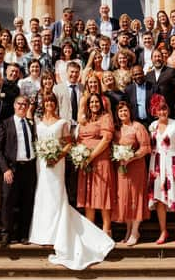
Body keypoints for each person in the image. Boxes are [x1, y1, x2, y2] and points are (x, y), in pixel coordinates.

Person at [29, 93, 114, 270]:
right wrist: (45, 154)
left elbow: (69, 143)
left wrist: (57, 155)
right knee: (42, 195)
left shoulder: (63, 122)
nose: (49, 104)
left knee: (57, 195)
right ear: (43, 104)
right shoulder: (38, 122)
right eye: (47, 102)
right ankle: (42, 233)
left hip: (57, 162)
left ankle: (59, 233)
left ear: (56, 104)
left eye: (52, 101)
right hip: (42, 163)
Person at [147, 94, 175, 245]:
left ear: (168, 110)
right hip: (157, 164)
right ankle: (163, 231)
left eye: (164, 109)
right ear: (155, 111)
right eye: (159, 110)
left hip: (172, 161)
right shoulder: (152, 126)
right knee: (160, 199)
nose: (162, 112)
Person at [0, 96, 37, 247]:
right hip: (11, 169)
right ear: (14, 105)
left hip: (29, 168)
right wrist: (5, 169)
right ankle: (6, 235)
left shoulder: (31, 123)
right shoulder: (6, 123)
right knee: (7, 202)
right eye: (19, 104)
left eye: (25, 104)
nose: (22, 107)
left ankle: (23, 234)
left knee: (27, 202)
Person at [112, 102, 151, 246]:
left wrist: (131, 157)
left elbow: (146, 148)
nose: (123, 113)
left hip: (136, 167)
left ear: (130, 111)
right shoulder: (118, 130)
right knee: (125, 197)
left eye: (125, 110)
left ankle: (135, 231)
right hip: (122, 168)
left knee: (136, 197)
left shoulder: (138, 127)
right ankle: (128, 230)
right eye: (120, 111)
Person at [77, 93, 115, 235]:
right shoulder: (85, 120)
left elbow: (106, 139)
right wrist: (80, 155)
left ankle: (107, 230)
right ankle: (90, 231)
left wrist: (91, 156)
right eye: (91, 102)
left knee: (102, 194)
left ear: (101, 104)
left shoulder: (106, 118)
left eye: (96, 102)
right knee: (88, 194)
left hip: (100, 161)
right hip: (86, 162)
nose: (94, 104)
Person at [53, 62, 83, 206]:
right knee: (63, 164)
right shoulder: (57, 88)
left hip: (80, 132)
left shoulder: (83, 88)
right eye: (71, 72)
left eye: (76, 72)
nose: (74, 75)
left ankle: (74, 199)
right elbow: (54, 109)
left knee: (77, 164)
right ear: (66, 72)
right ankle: (62, 199)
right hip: (63, 132)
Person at [145, 49, 175, 115]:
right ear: (151, 59)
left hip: (169, 111)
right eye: (155, 57)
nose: (157, 58)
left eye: (159, 56)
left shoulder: (171, 72)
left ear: (163, 58)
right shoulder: (148, 75)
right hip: (153, 113)